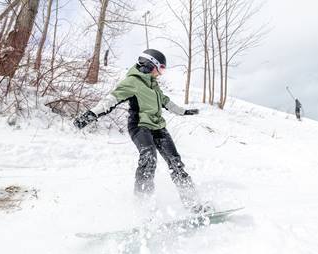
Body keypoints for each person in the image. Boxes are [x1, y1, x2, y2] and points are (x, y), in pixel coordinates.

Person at [73, 49, 213, 214]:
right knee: (149, 158)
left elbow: (165, 101)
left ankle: (194, 206)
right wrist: (90, 115)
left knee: (176, 164)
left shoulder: (153, 84)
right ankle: (143, 209)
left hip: (158, 127)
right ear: (150, 64)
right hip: (140, 126)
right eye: (160, 68)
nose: (161, 73)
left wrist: (183, 111)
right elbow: (111, 99)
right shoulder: (132, 81)